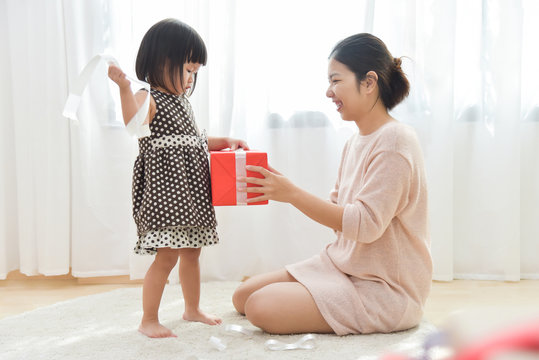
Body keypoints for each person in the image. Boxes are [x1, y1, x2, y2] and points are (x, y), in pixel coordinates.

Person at [232, 33, 432, 335]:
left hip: (384, 289)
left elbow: (365, 227)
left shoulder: (395, 141)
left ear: (368, 82)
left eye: (336, 80)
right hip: (341, 266)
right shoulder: (355, 142)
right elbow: (341, 218)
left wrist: (291, 194)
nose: (329, 92)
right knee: (243, 297)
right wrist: (283, 188)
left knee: (261, 306)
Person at [108, 18, 248, 338]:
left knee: (192, 252)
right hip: (165, 192)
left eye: (195, 73)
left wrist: (224, 141)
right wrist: (123, 88)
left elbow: (194, 141)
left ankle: (191, 308)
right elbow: (132, 124)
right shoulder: (149, 97)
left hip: (190, 191)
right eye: (187, 70)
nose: (191, 79)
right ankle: (148, 319)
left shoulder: (183, 102)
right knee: (166, 255)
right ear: (161, 63)